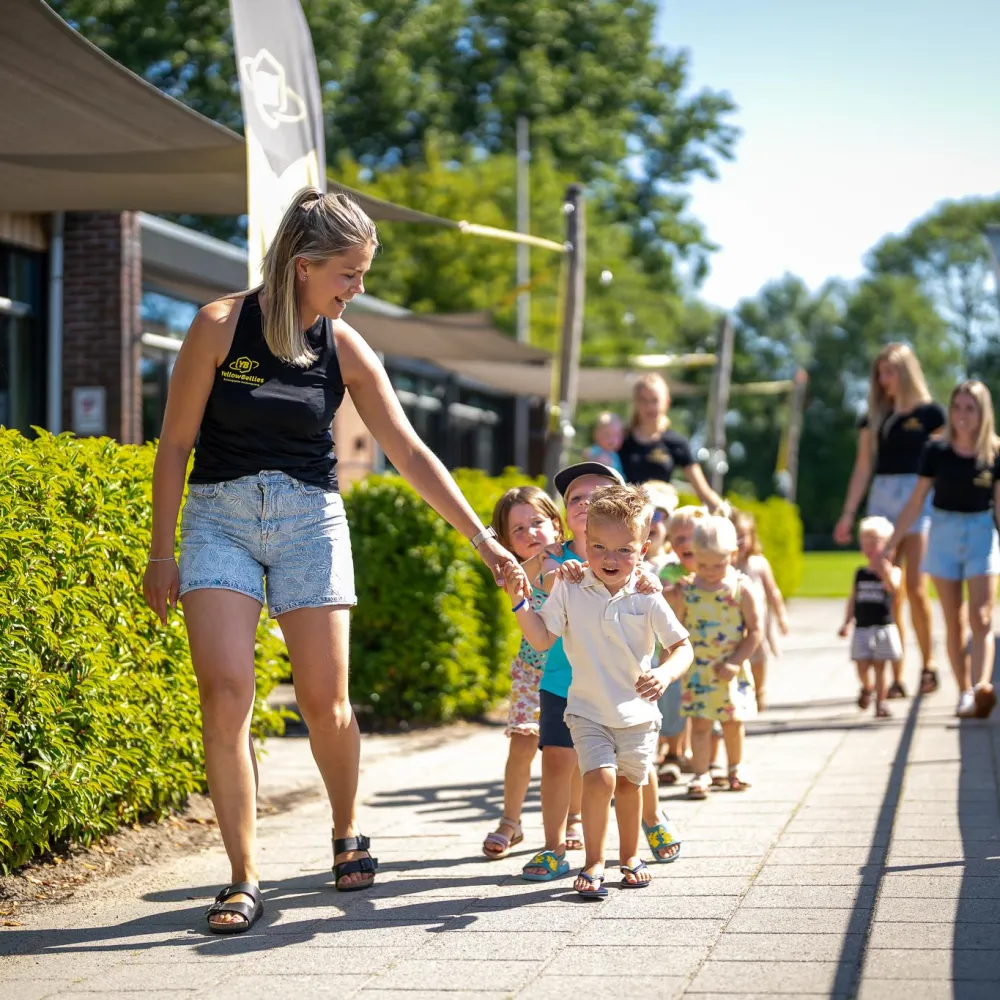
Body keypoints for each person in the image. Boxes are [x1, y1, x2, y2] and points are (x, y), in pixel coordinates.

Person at [142, 188, 517, 933]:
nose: (358, 288)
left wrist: (483, 538)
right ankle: (243, 877)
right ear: (303, 265)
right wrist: (161, 551)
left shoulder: (344, 346)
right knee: (225, 693)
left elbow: (408, 449)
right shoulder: (219, 326)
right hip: (218, 521)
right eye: (350, 273)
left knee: (325, 702)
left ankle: (346, 828)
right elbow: (176, 445)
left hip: (310, 523)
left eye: (363, 273)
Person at [506, 485, 693, 897]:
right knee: (599, 779)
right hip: (586, 710)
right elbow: (541, 639)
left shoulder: (647, 594)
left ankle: (630, 857)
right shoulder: (570, 586)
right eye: (599, 548)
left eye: (624, 550)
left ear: (643, 549)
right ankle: (593, 862)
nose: (610, 559)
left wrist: (664, 674)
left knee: (629, 784)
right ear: (584, 542)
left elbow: (682, 646)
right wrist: (520, 603)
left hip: (637, 713)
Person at [518, 461, 624, 880]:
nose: (584, 504)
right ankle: (553, 846)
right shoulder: (554, 557)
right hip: (561, 679)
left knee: (625, 767)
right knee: (558, 762)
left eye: (596, 497)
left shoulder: (625, 555)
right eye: (575, 499)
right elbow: (540, 578)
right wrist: (556, 571)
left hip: (616, 682)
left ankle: (647, 823)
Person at [884, 380, 1000, 720]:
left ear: (983, 413)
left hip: (981, 532)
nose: (963, 415)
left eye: (970, 409)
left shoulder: (994, 452)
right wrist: (891, 543)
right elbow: (916, 501)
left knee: (982, 616)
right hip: (944, 532)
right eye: (958, 408)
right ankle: (964, 692)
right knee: (955, 620)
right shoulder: (936, 450)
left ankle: (981, 687)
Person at [834, 343, 944, 697]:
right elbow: (862, 467)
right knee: (888, 589)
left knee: (916, 587)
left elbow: (945, 461)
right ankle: (895, 676)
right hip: (882, 498)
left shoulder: (931, 415)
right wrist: (848, 513)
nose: (884, 380)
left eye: (890, 372)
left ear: (906, 372)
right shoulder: (875, 417)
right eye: (880, 373)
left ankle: (928, 666)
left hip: (919, 499)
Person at [482, 487, 565, 861]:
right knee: (522, 743)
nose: (530, 532)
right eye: (518, 530)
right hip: (532, 672)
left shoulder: (576, 559)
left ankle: (573, 820)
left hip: (572, 672)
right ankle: (510, 821)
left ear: (556, 525)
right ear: (506, 544)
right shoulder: (515, 573)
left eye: (537, 522)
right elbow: (531, 581)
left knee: (570, 750)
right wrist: (538, 558)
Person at [667, 516, 761, 799]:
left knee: (732, 723)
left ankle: (735, 767)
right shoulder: (688, 589)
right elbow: (677, 626)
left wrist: (735, 661)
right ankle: (700, 773)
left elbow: (755, 631)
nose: (709, 572)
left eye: (717, 565)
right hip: (698, 670)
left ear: (733, 554)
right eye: (703, 564)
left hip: (730, 669)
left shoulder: (741, 589)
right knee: (700, 725)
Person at [618, 372, 726, 512]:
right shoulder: (620, 440)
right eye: (643, 400)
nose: (649, 407)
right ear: (636, 403)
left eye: (655, 400)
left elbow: (703, 492)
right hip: (626, 514)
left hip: (659, 515)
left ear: (667, 402)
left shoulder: (676, 443)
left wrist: (728, 514)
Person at [838, 517, 903, 719]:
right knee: (861, 664)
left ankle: (881, 703)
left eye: (874, 543)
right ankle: (867, 686)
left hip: (882, 626)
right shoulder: (860, 573)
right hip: (862, 626)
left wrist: (884, 571)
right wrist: (847, 622)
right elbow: (853, 600)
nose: (870, 548)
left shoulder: (893, 571)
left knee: (880, 666)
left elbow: (894, 590)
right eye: (865, 543)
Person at [731, 509, 789, 711]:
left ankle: (760, 689)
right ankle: (741, 690)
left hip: (758, 620)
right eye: (735, 536)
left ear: (752, 537)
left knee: (759, 656)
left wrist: (781, 616)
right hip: (734, 619)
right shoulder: (725, 565)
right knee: (738, 653)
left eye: (743, 536)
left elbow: (773, 592)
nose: (739, 541)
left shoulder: (758, 563)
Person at [583, 412, 625, 477]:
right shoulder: (596, 451)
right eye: (607, 434)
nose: (612, 439)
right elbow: (586, 456)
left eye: (617, 435)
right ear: (596, 434)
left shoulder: (614, 455)